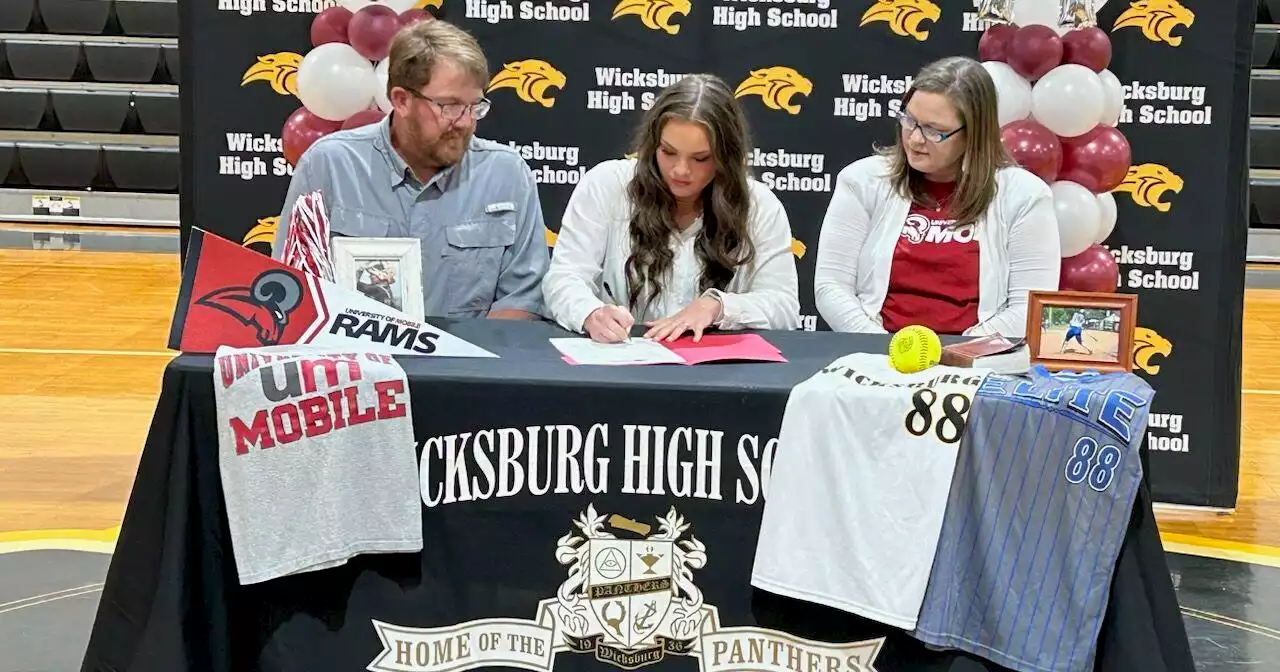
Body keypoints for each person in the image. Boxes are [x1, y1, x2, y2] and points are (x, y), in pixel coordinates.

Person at [273, 20, 549, 320]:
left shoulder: (506, 173)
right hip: (355, 362)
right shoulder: (328, 166)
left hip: (472, 363)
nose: (466, 121)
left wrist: (462, 361)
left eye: (475, 106)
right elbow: (294, 288)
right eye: (450, 106)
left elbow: (522, 298)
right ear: (401, 100)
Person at [541, 74, 800, 343]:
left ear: (726, 157)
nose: (680, 170)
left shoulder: (759, 206)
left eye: (700, 158)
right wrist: (591, 313)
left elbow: (785, 308)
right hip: (621, 362)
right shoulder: (606, 185)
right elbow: (563, 278)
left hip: (719, 373)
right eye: (668, 152)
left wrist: (719, 307)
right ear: (653, 145)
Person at [812, 56, 1060, 337]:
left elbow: (1028, 308)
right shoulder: (862, 181)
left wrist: (958, 355)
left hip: (976, 362)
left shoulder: (1024, 196)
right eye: (909, 120)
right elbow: (831, 287)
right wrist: (882, 348)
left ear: (973, 135)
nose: (915, 139)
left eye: (934, 130)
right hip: (877, 354)